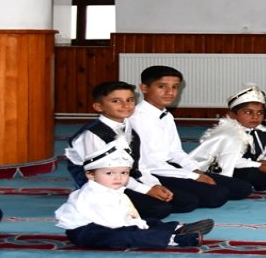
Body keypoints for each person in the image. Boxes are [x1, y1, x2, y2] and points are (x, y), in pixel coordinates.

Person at [65, 80, 195, 218]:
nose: (125, 105)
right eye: (116, 101)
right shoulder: (93, 135)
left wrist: (154, 185)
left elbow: (137, 166)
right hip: (102, 185)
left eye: (130, 100)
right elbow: (106, 175)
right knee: (160, 209)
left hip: (125, 178)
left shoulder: (127, 127)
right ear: (98, 106)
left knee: (187, 202)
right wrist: (146, 191)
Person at [128, 66, 254, 208]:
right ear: (144, 88)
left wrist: (196, 170)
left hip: (168, 167)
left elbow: (175, 151)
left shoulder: (166, 116)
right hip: (151, 172)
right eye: (162, 86)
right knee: (215, 196)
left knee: (242, 188)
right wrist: (193, 177)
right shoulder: (137, 118)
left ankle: (189, 191)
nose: (170, 92)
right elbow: (148, 163)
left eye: (175, 87)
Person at [54, 143, 215, 249]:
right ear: (90, 175)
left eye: (123, 173)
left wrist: (141, 224)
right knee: (128, 235)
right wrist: (139, 226)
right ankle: (173, 239)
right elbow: (115, 224)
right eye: (109, 173)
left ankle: (177, 228)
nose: (118, 178)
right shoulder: (92, 195)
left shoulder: (113, 190)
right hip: (87, 232)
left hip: (110, 223)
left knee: (146, 222)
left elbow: (128, 215)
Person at [189, 84, 266, 191]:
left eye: (260, 113)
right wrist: (258, 165)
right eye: (248, 112)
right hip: (233, 169)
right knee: (251, 175)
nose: (255, 117)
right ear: (233, 115)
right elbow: (231, 160)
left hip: (257, 167)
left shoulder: (262, 133)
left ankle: (265, 181)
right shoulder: (228, 135)